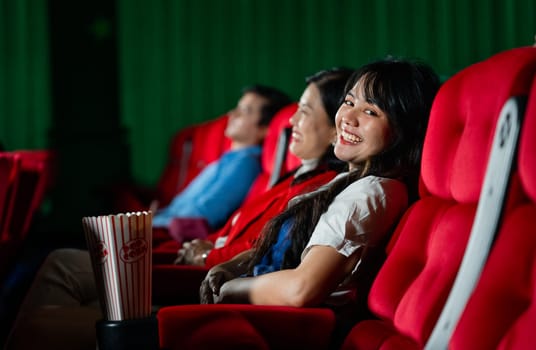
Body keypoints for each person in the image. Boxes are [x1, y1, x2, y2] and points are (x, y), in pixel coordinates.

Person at [199, 59, 441, 314]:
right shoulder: (347, 181)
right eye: (349, 102)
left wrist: (234, 289)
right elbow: (291, 244)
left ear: (404, 130)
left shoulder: (370, 193)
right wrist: (232, 266)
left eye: (370, 111)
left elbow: (302, 289)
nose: (348, 117)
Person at [173, 67, 353, 268]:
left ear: (335, 130)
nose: (292, 120)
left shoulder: (319, 188)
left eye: (304, 112)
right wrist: (209, 244)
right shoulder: (297, 175)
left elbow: (265, 246)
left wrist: (208, 256)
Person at [151, 84, 291, 232]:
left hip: (170, 233)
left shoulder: (245, 164)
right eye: (237, 108)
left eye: (245, 111)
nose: (232, 114)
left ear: (264, 129)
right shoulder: (229, 159)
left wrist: (151, 223)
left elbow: (198, 218)